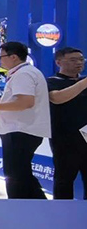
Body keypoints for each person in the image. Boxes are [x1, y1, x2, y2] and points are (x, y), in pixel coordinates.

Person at [0, 42, 50, 199]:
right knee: (21, 174)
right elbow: (18, 98)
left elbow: (24, 102)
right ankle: (39, 206)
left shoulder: (23, 74)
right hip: (20, 130)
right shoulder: (24, 72)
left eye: (1, 57)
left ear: (13, 57)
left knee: (15, 176)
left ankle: (18, 207)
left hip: (20, 130)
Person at [46, 47, 87, 199]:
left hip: (86, 136)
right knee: (64, 180)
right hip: (64, 139)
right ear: (59, 62)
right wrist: (84, 83)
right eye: (73, 60)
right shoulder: (51, 82)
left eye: (81, 59)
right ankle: (61, 211)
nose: (79, 63)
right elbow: (57, 98)